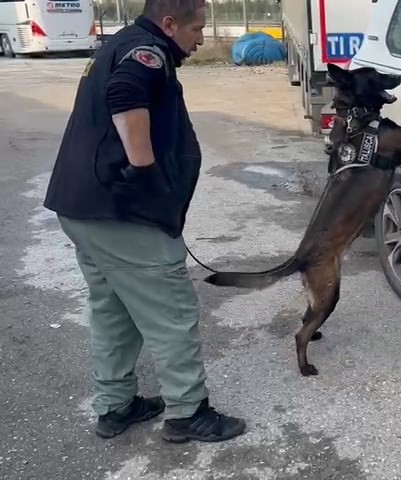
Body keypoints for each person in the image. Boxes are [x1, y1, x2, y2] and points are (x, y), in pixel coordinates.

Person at [42, 0, 246, 443]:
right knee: (171, 312)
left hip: (82, 208)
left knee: (113, 310)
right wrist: (145, 171)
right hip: (122, 214)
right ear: (169, 23)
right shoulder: (146, 53)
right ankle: (188, 412)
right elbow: (126, 93)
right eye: (196, 29)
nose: (201, 39)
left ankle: (116, 406)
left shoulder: (121, 43)